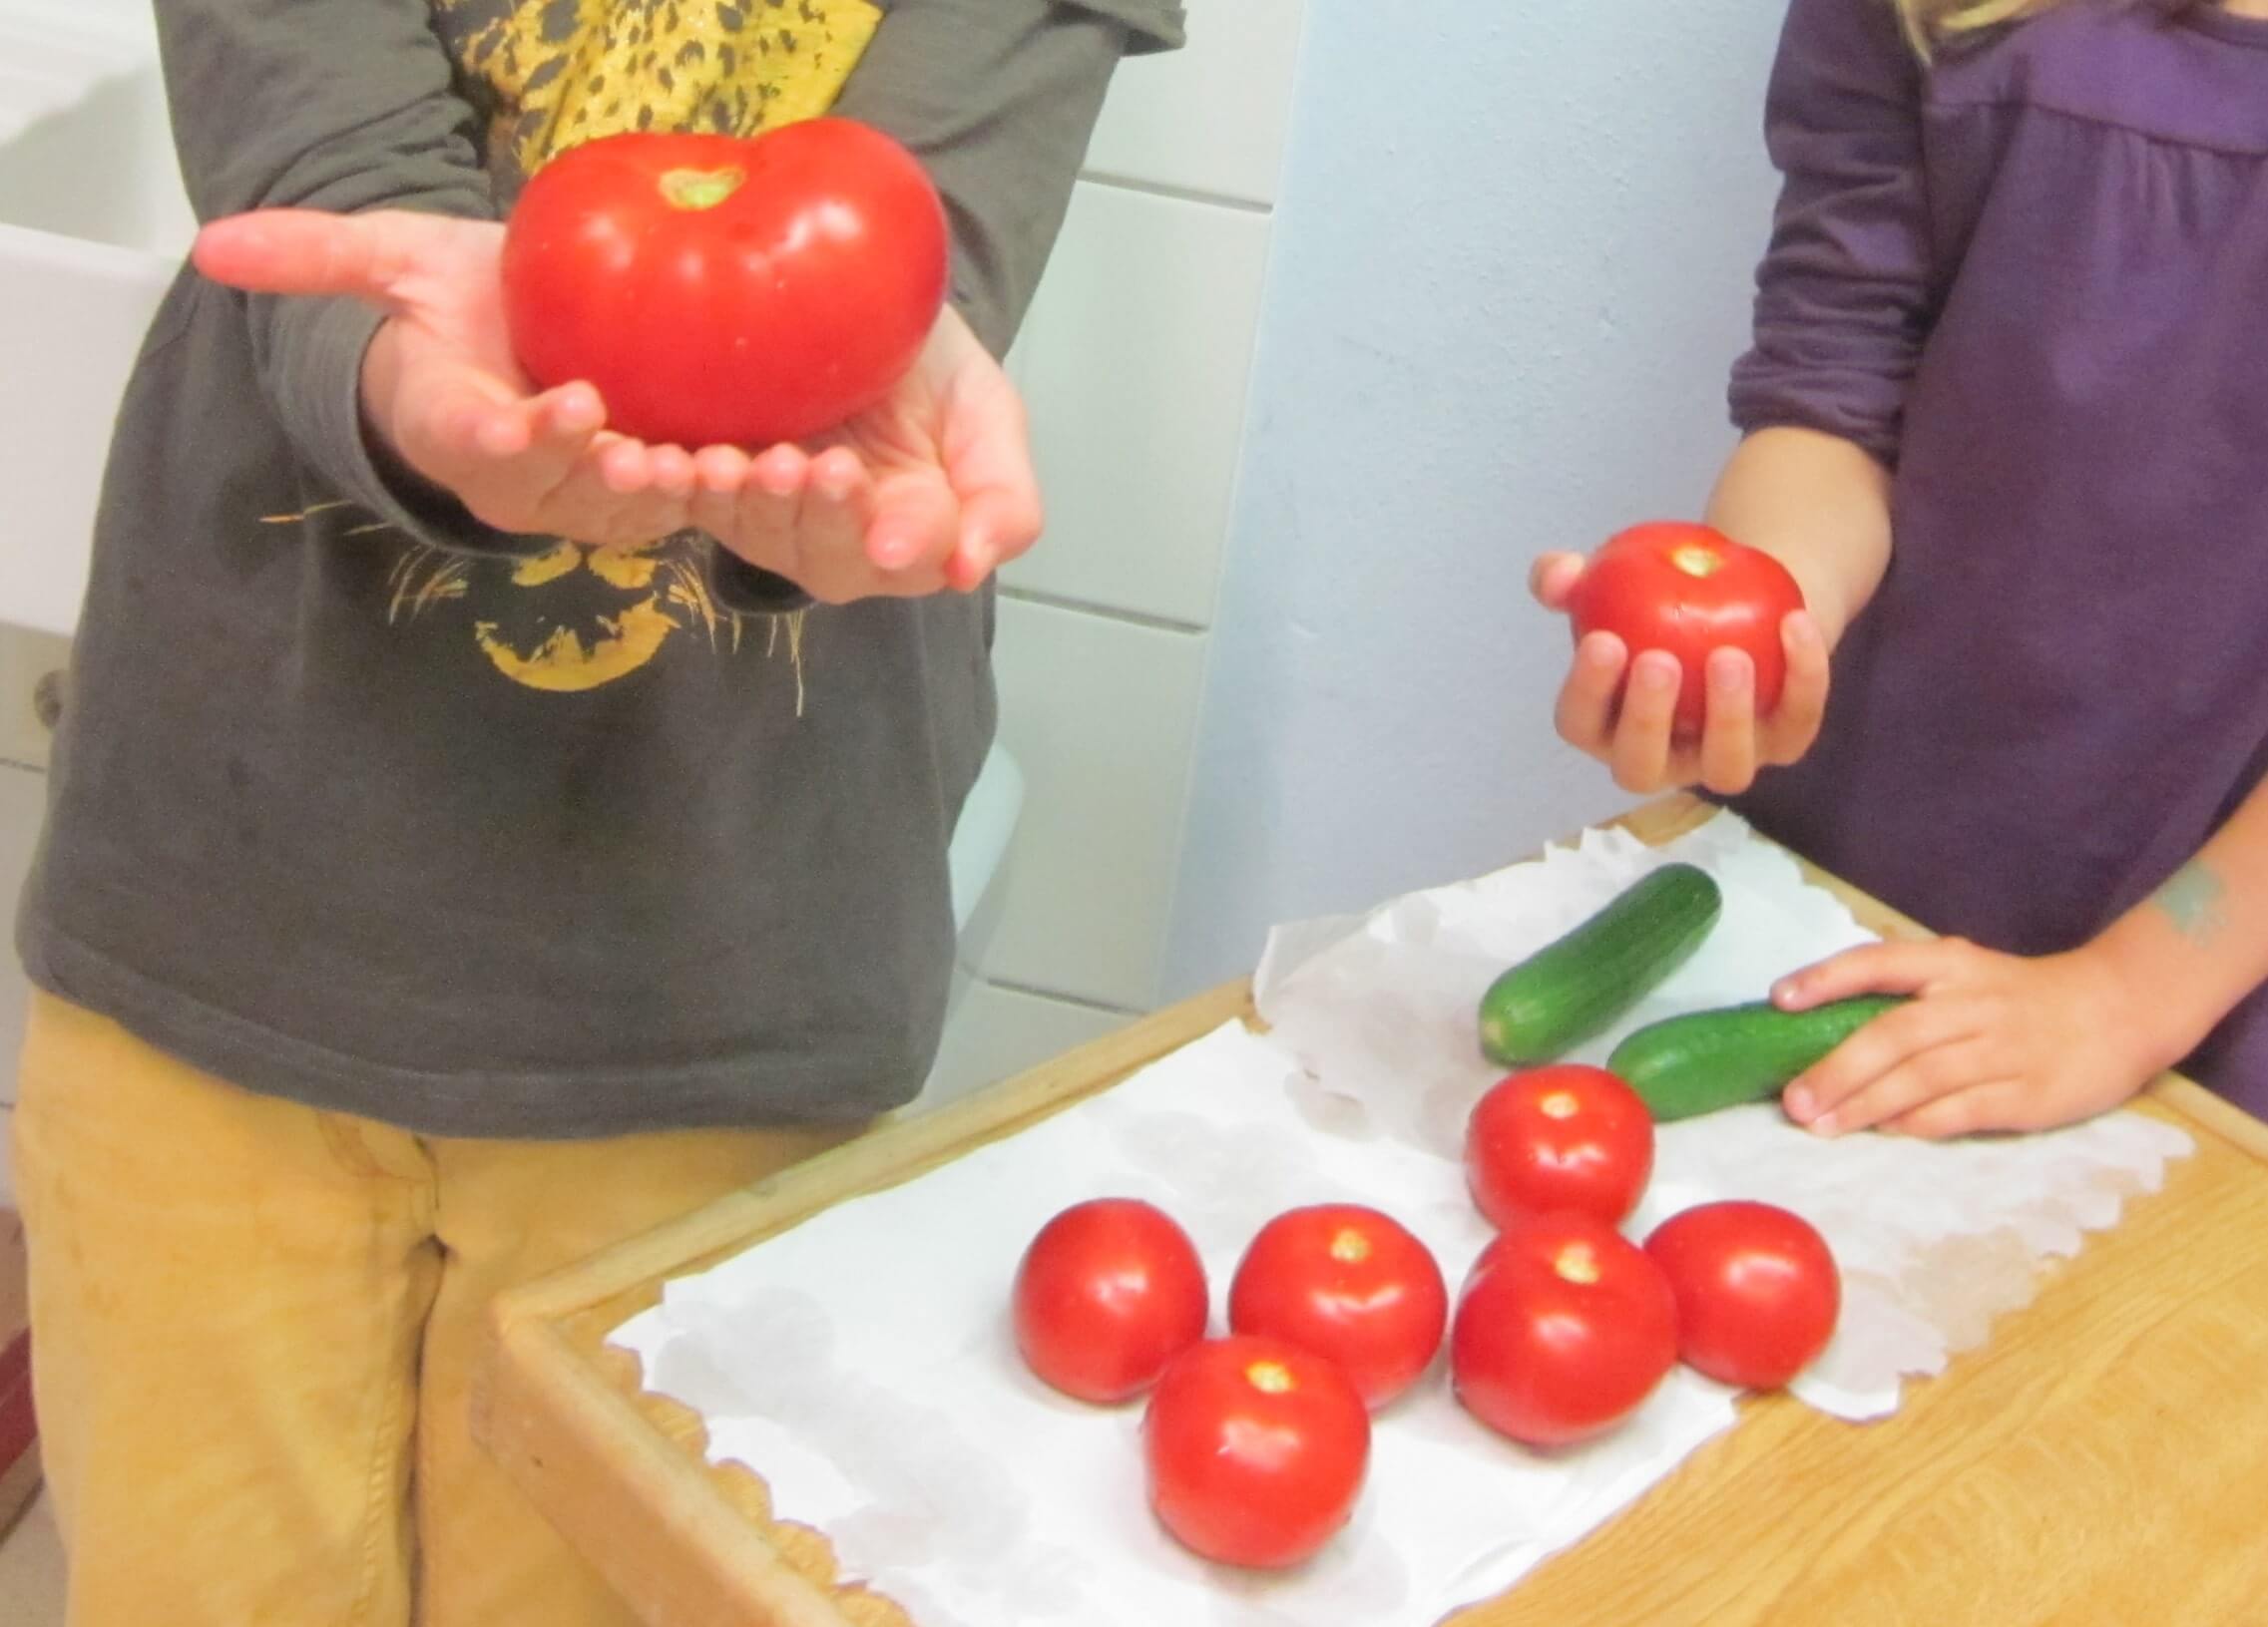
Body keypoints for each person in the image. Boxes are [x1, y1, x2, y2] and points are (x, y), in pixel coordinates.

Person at [8, 0, 1184, 1622]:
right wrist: (411, 380)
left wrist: (834, 456)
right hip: (225, 921)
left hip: (712, 968)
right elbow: (322, 180)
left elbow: (900, 280)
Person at [1532, 0, 2268, 1140]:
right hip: (1851, 887)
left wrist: (2123, 998)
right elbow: (1832, 389)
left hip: (2208, 978)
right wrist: (1761, 624)